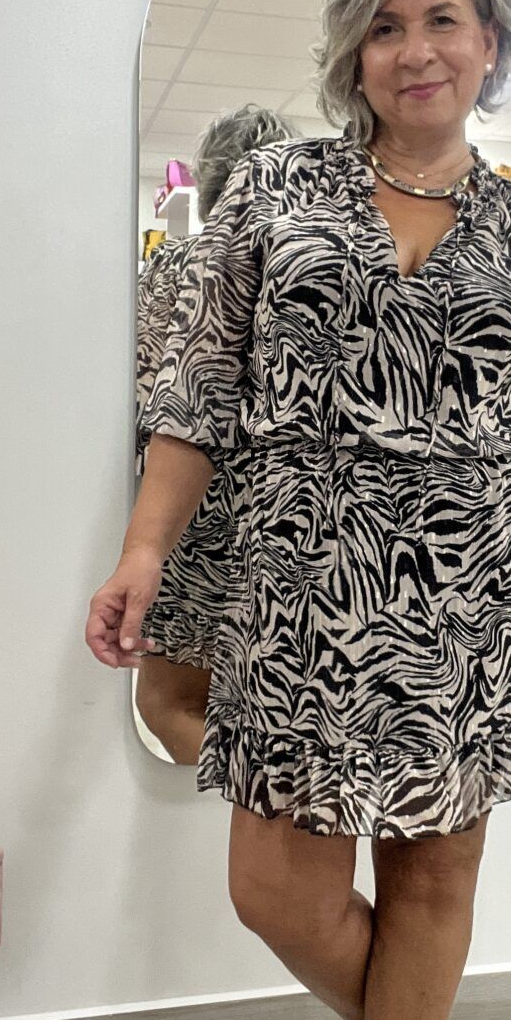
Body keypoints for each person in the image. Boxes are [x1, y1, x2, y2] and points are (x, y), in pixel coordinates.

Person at [86, 0, 511, 1020]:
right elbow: (197, 389)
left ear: (487, 43)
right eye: (384, 25)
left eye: (441, 20)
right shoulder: (277, 191)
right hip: (298, 584)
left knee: (436, 869)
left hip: (478, 592)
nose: (413, 49)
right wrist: (144, 551)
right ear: (351, 52)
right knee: (276, 886)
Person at [134, 105, 297, 763]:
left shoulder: (175, 269)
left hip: (193, 517)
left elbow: (149, 392)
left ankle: (278, 818)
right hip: (290, 520)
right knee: (276, 712)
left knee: (171, 703)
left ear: (206, 183)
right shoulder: (305, 271)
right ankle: (290, 814)